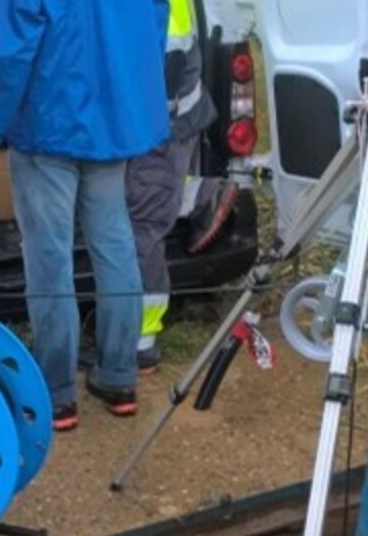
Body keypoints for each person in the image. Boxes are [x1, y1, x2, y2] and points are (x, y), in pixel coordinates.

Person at [0, 0, 170, 432]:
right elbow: (155, 23)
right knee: (115, 245)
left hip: (48, 123)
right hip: (114, 120)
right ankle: (118, 376)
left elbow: (8, 55)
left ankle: (55, 393)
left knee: (49, 259)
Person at [127, 0, 240, 374]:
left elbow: (167, 69)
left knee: (143, 224)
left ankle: (142, 342)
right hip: (165, 110)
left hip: (160, 120)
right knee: (146, 201)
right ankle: (200, 195)